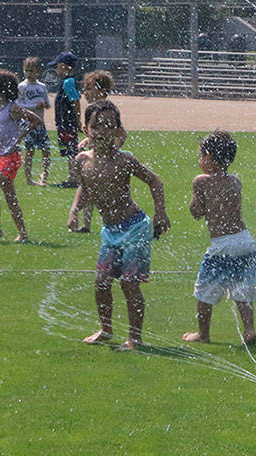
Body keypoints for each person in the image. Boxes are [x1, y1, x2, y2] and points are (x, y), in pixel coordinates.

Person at [68, 100, 169, 351]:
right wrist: (74, 211)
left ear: (117, 130)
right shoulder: (82, 161)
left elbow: (155, 181)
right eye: (96, 126)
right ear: (85, 129)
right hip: (111, 232)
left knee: (128, 283)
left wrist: (161, 214)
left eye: (109, 126)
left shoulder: (124, 160)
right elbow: (87, 188)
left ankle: (135, 338)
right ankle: (106, 328)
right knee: (101, 281)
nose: (102, 131)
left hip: (135, 227)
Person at [183, 131, 256, 346]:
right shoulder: (236, 181)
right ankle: (249, 329)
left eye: (201, 155)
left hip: (222, 245)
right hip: (245, 241)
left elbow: (197, 212)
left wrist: (195, 197)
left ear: (208, 156)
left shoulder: (201, 181)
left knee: (204, 291)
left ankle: (203, 334)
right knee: (242, 290)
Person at [0, 69, 41, 242]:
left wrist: (20, 136)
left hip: (10, 158)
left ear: (0, 88)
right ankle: (23, 234)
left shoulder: (11, 109)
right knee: (10, 197)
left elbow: (36, 120)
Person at [70, 70, 118, 232]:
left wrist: (114, 149)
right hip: (93, 157)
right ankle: (85, 224)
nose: (85, 92)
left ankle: (113, 221)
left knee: (104, 191)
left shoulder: (108, 111)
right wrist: (86, 140)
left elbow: (121, 133)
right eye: (84, 88)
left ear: (102, 91)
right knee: (86, 188)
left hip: (105, 159)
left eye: (89, 88)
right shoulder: (91, 109)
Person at [48, 51, 81, 188]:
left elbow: (75, 101)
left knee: (71, 150)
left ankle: (74, 178)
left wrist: (78, 120)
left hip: (68, 123)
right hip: (64, 123)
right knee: (69, 150)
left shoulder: (68, 82)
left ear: (63, 66)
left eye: (57, 67)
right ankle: (73, 176)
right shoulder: (67, 82)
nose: (56, 70)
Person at [17, 57, 51, 186]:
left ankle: (45, 176)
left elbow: (47, 104)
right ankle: (29, 178)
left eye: (31, 71)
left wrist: (44, 104)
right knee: (29, 151)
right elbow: (18, 105)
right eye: (26, 70)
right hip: (28, 124)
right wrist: (32, 107)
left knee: (46, 150)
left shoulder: (41, 87)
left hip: (40, 124)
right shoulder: (22, 86)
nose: (28, 74)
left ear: (38, 72)